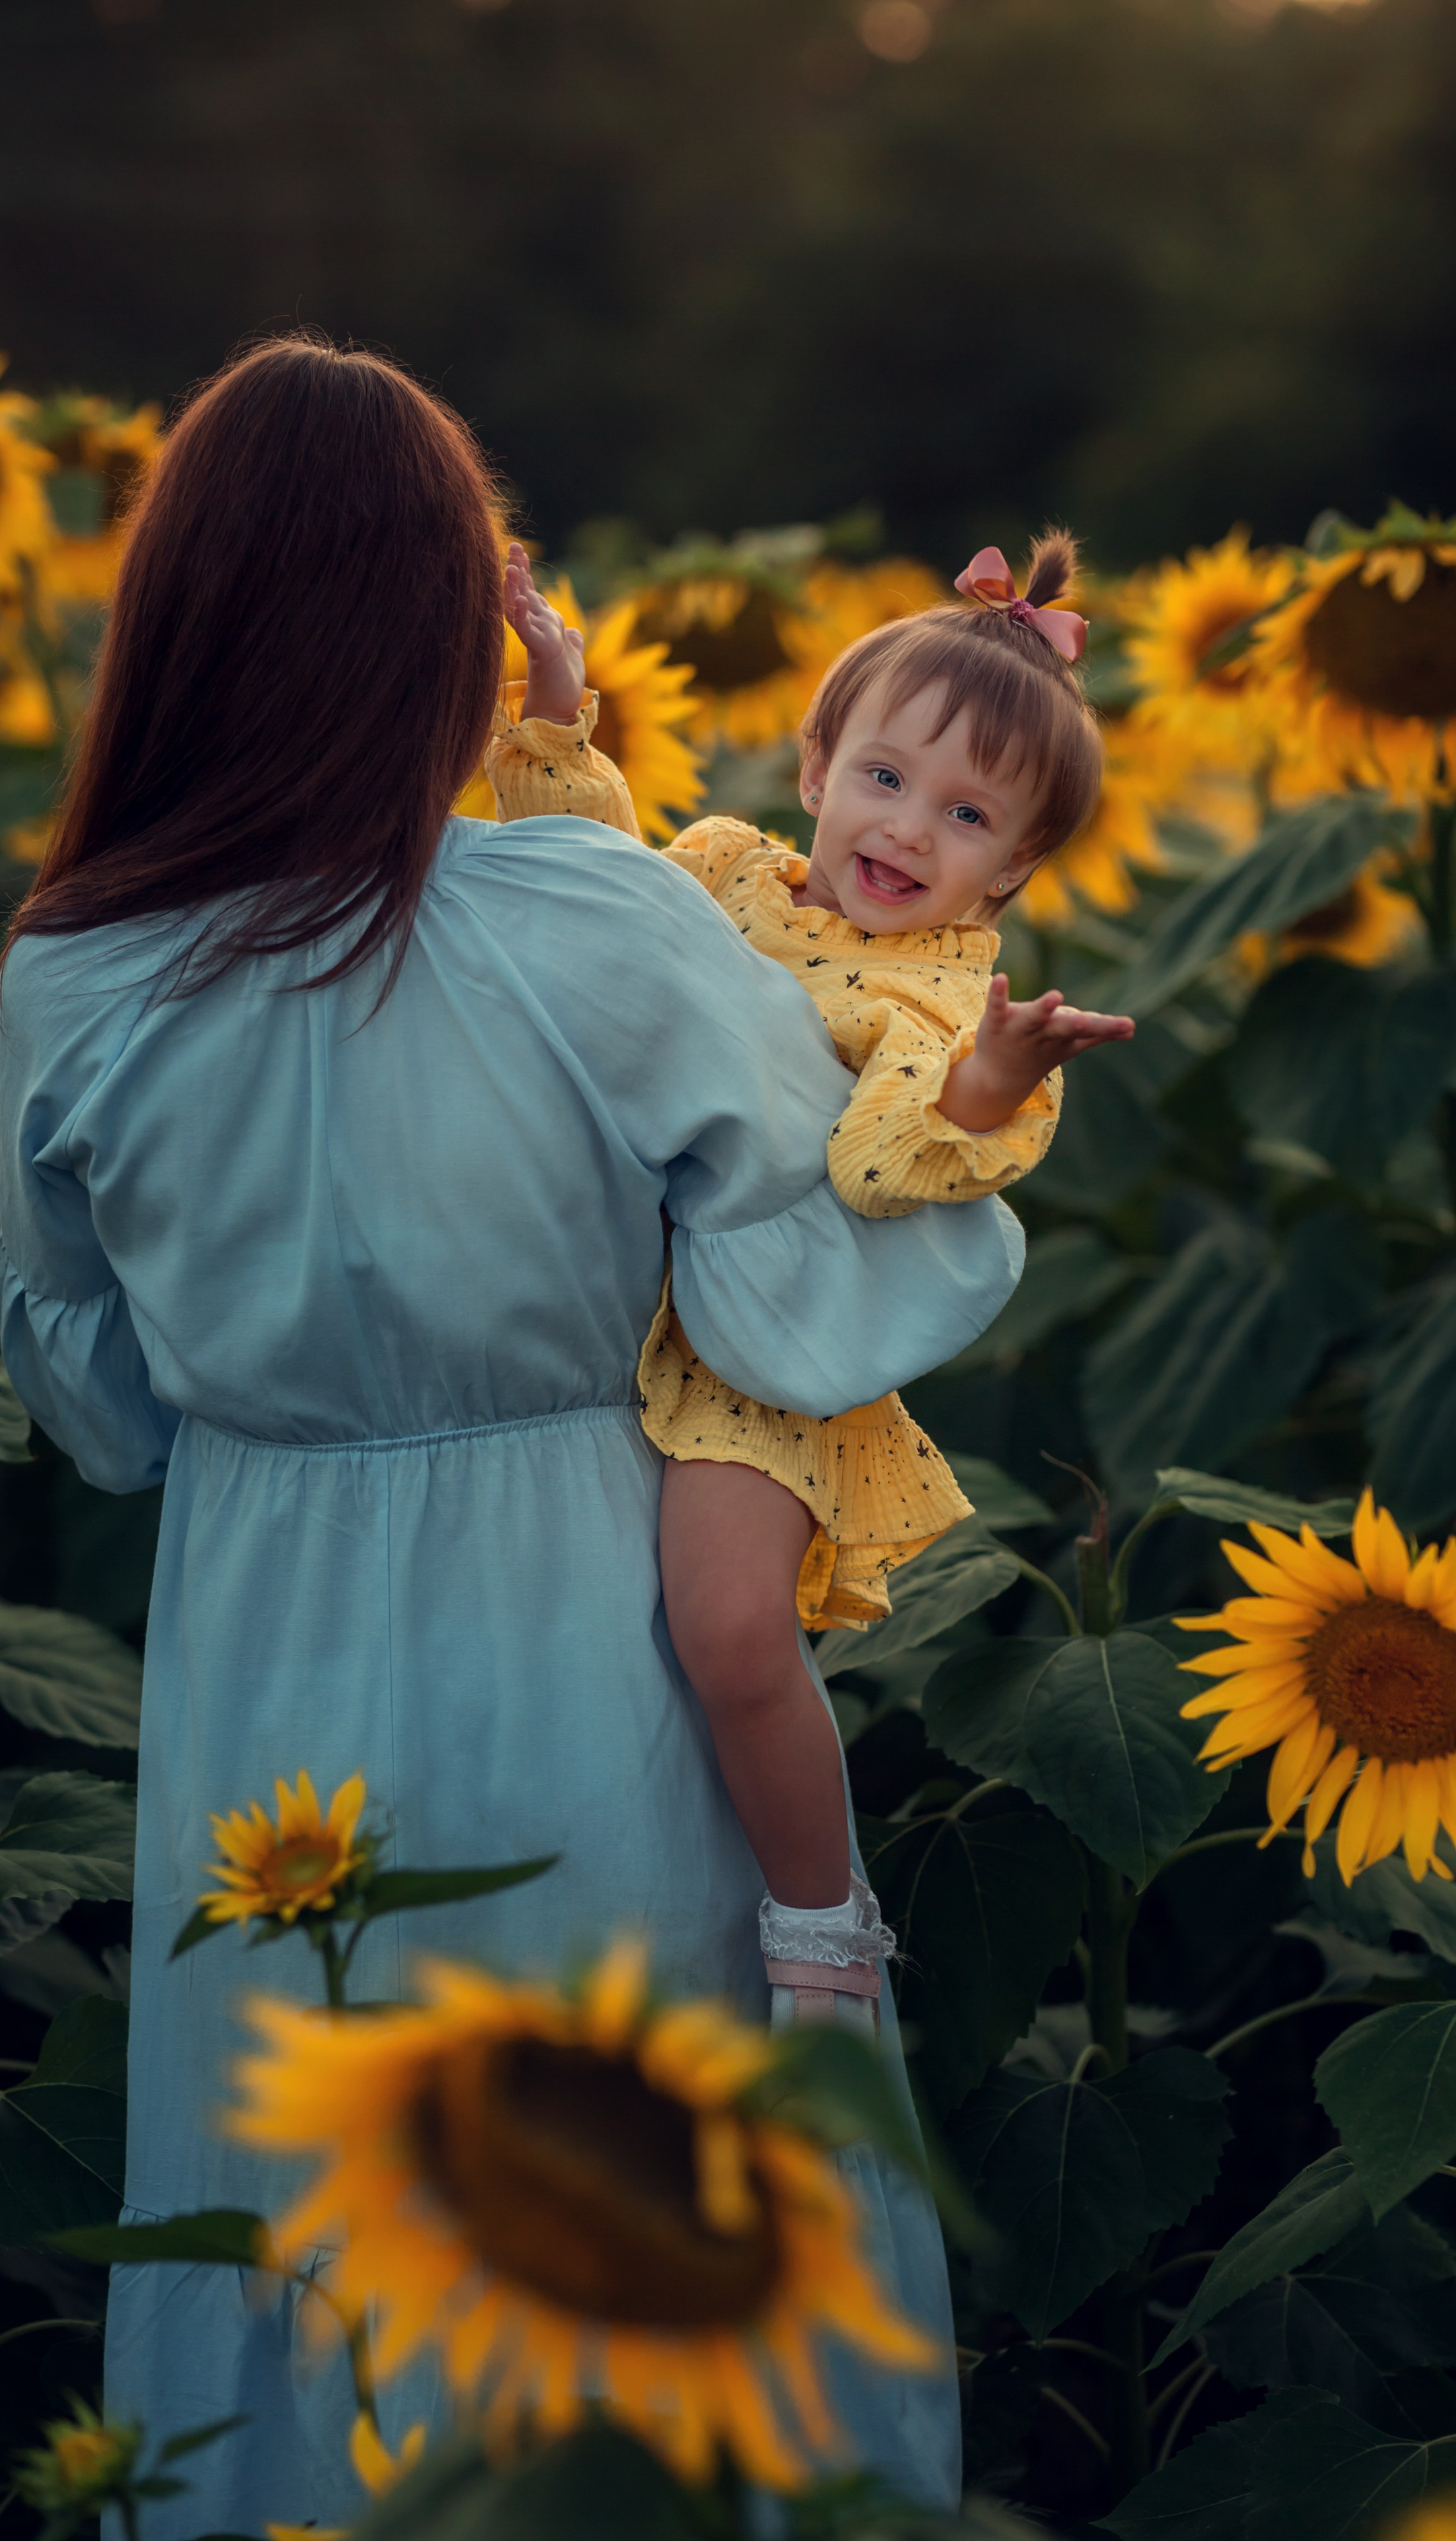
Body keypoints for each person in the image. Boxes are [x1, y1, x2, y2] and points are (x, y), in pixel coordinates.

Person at [0, 335, 1026, 2541]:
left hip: (264, 1642)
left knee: (291, 2196)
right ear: (450, 627)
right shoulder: (592, 920)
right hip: (589, 1623)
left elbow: (88, 1401)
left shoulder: (68, 975)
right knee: (641, 2203)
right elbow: (799, 1284)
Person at [491, 540, 1132, 2025]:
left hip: (752, 1356)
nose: (908, 830)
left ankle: (820, 1928)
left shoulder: (931, 996)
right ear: (815, 763)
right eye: (886, 778)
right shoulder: (720, 870)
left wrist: (986, 1077)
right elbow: (594, 899)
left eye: (968, 816)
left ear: (1015, 869)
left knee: (726, 1629)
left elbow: (886, 1159)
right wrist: (559, 699)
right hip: (602, 1302)